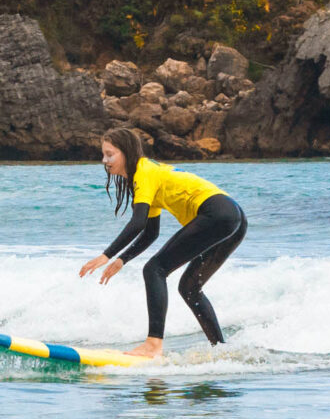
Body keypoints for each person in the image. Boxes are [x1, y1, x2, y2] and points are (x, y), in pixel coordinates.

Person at [77, 126, 246, 360]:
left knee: (154, 269)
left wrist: (106, 255)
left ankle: (153, 345)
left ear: (126, 152)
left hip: (216, 212)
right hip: (233, 216)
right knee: (189, 289)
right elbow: (150, 233)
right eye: (103, 154)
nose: (104, 160)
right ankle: (221, 351)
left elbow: (137, 224)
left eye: (110, 154)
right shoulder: (150, 175)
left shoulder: (143, 172)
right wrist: (123, 259)